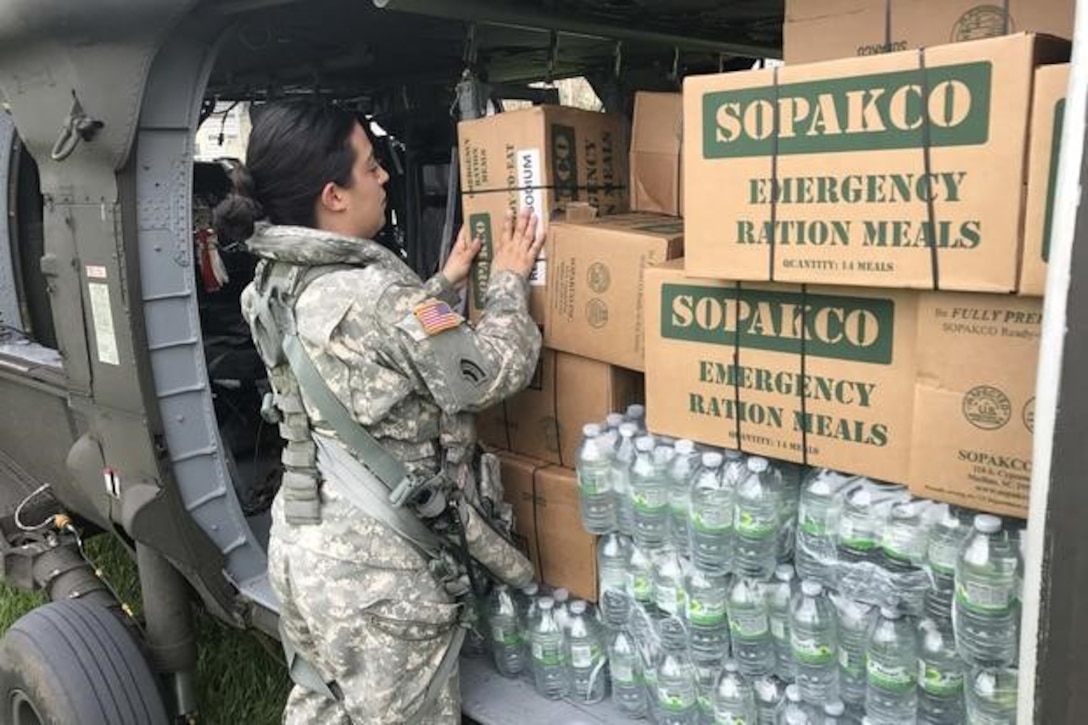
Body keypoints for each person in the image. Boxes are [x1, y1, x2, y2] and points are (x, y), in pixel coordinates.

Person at [214, 100, 543, 724]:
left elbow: (368, 353)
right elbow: (489, 371)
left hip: (304, 548)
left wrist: (440, 287)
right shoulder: (379, 298)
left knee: (322, 702)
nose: (386, 176)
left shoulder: (275, 279)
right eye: (371, 166)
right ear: (333, 195)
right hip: (377, 576)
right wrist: (507, 280)